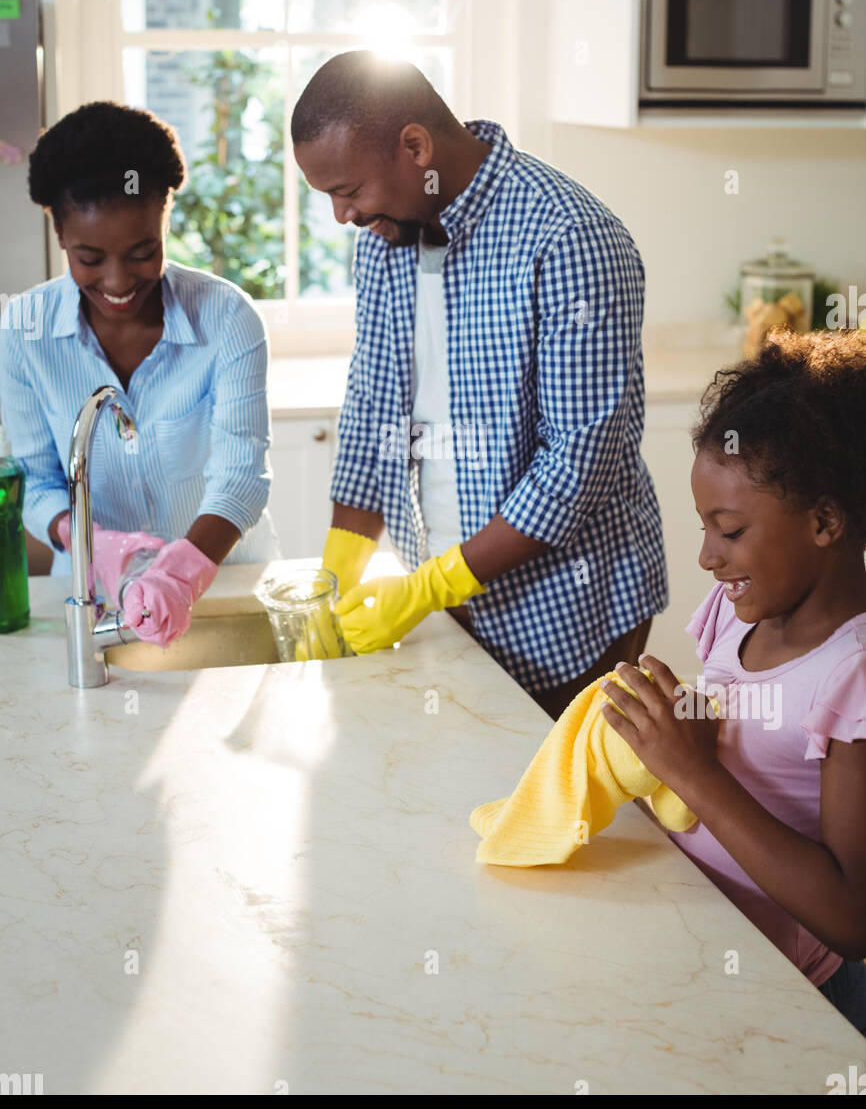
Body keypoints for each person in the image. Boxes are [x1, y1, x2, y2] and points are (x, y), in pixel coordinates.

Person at [291, 50, 668, 718]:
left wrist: (433, 587)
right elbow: (373, 404)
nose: (341, 216)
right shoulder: (386, 239)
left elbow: (577, 465)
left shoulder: (569, 238)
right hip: (447, 607)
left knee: (550, 813)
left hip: (565, 617)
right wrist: (336, 575)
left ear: (415, 146)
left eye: (346, 191)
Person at [599, 328, 866, 1037]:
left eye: (730, 530)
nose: (707, 556)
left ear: (825, 521)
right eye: (704, 527)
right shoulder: (737, 611)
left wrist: (690, 773)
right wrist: (664, 716)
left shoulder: (852, 676)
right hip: (700, 929)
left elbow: (851, 919)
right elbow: (738, 722)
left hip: (792, 991)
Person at [0, 101, 280, 647]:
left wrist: (181, 572)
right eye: (89, 257)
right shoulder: (23, 330)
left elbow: (241, 476)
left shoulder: (228, 318)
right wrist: (92, 544)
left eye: (142, 252)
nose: (118, 280)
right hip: (94, 599)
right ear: (59, 234)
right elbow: (36, 480)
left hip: (227, 588)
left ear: (166, 221)